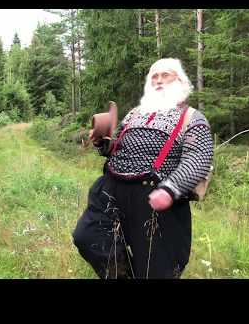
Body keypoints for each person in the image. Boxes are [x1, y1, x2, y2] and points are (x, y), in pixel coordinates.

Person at [72, 58, 214, 279]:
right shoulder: (134, 114)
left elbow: (198, 158)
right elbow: (116, 148)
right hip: (111, 189)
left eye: (165, 75)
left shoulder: (192, 118)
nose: (158, 80)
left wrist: (170, 189)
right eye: (154, 76)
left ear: (180, 82)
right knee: (88, 237)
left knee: (155, 270)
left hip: (154, 198)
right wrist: (102, 142)